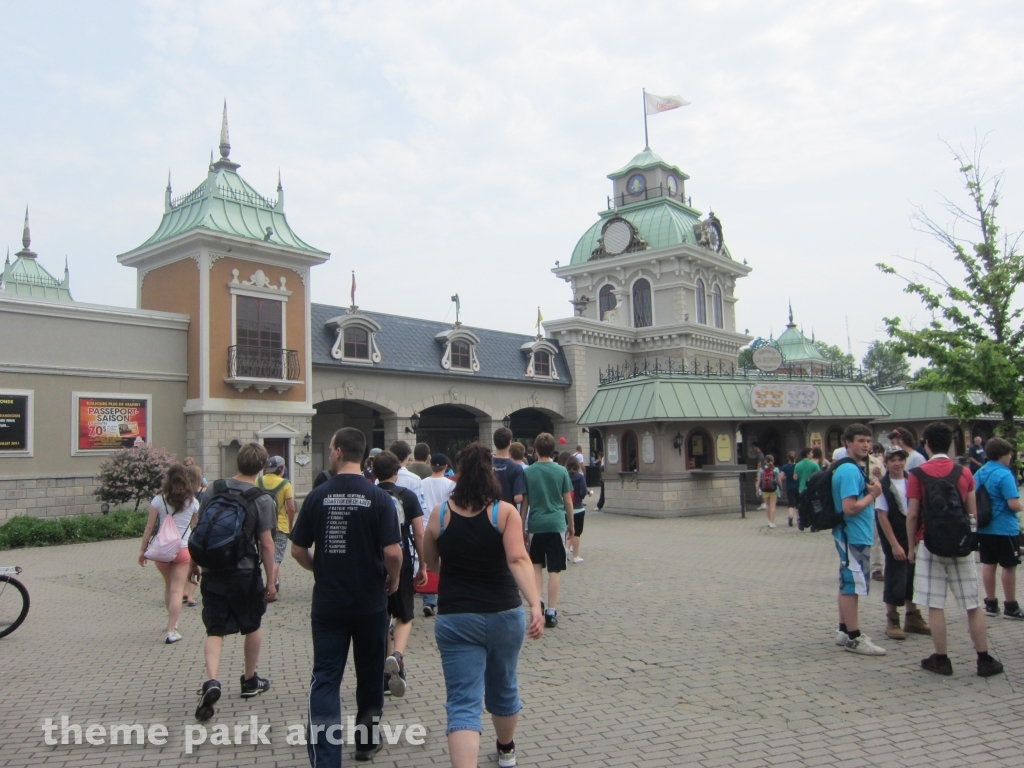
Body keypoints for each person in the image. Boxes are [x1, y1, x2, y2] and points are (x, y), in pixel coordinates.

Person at [421, 442, 544, 768]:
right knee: (504, 686)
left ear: (458, 475)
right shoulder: (503, 512)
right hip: (503, 613)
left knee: (463, 702)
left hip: (456, 616)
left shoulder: (441, 514)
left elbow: (431, 562)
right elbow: (518, 559)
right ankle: (506, 750)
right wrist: (535, 604)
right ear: (490, 473)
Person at [290, 428, 403, 764]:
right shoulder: (380, 498)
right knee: (370, 676)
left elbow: (297, 550)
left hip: (329, 603)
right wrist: (392, 578)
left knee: (325, 678)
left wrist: (320, 569)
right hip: (370, 601)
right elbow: (394, 553)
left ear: (337, 452)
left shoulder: (317, 496)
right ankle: (366, 743)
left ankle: (326, 759)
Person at [906, 421, 1004, 677]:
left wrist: (910, 547)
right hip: (960, 544)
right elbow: (972, 513)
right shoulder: (964, 473)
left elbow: (913, 515)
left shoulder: (917, 474)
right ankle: (984, 659)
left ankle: (941, 659)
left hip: (929, 543)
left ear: (926, 443)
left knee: (935, 604)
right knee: (972, 604)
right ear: (949, 443)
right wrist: (970, 542)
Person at [192, 442, 277, 721]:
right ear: (262, 467)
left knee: (215, 630)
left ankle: (213, 681)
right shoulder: (262, 499)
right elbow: (266, 544)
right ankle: (250, 680)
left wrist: (195, 563)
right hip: (244, 572)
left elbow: (200, 529)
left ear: (237, 462)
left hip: (213, 570)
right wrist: (271, 578)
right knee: (252, 624)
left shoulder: (214, 489)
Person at [374, 450, 429, 697]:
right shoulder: (407, 496)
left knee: (383, 613)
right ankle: (398, 655)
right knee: (405, 614)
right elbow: (419, 533)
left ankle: (386, 671)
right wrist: (424, 565)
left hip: (374, 560)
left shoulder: (370, 495)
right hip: (402, 559)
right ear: (397, 472)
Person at [832, 424, 886, 656]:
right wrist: (873, 496)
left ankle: (845, 630)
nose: (865, 445)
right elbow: (850, 507)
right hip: (852, 533)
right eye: (860, 441)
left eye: (868, 441)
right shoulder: (850, 471)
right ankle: (854, 637)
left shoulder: (850, 468)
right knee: (853, 584)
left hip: (851, 533)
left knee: (847, 582)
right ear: (848, 442)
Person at [138, 463, 200, 643]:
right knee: (177, 590)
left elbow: (149, 527)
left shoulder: (158, 500)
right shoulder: (193, 502)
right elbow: (195, 528)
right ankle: (172, 630)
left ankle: (172, 621)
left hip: (162, 550)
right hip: (182, 549)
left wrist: (143, 550)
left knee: (168, 586)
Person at [874, 445, 931, 639]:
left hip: (913, 536)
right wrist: (894, 544)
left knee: (912, 576)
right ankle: (892, 618)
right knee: (895, 577)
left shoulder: (912, 481)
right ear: (886, 463)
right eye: (892, 460)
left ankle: (912, 615)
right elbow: (882, 517)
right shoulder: (883, 486)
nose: (897, 464)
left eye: (900, 460)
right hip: (896, 536)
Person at [522, 432, 574, 629]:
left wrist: (522, 527)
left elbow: (525, 503)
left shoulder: (528, 472)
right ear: (553, 450)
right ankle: (551, 612)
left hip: (536, 524)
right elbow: (567, 500)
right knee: (555, 568)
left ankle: (538, 601)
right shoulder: (561, 471)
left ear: (535, 450)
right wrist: (571, 524)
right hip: (556, 523)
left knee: (536, 566)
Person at [975, 437, 1024, 620]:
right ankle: (1011, 606)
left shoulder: (980, 472)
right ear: (1003, 455)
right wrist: (1021, 506)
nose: (1010, 457)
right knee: (1009, 566)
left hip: (984, 527)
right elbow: (1013, 504)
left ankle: (991, 603)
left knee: (988, 564)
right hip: (1004, 528)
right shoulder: (1004, 474)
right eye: (1009, 453)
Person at [420, 453, 456, 617]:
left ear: (431, 466)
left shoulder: (422, 483)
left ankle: (429, 599)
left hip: (425, 524)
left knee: (428, 562)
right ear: (446, 467)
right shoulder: (450, 485)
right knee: (446, 562)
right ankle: (446, 596)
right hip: (444, 525)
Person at [257, 455, 295, 598]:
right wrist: (290, 526)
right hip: (280, 525)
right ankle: (270, 587)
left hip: (262, 525)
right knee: (277, 557)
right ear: (280, 468)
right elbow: (291, 508)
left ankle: (274, 581)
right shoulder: (285, 484)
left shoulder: (258, 481)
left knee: (264, 554)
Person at [182, 464, 204, 607]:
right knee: (194, 566)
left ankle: (183, 591)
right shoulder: (202, 494)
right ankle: (190, 596)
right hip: (191, 536)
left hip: (178, 538)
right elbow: (195, 524)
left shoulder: (179, 495)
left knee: (182, 567)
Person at [492, 428, 527, 509]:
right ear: (509, 443)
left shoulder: (486, 464)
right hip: (508, 512)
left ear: (494, 442)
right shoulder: (516, 467)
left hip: (488, 512)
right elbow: (518, 498)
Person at [565, 455, 588, 563]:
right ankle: (575, 556)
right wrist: (580, 496)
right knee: (577, 532)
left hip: (565, 508)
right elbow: (583, 491)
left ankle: (565, 549)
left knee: (568, 530)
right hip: (578, 508)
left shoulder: (563, 476)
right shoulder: (580, 476)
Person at [759, 454, 781, 528]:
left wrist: (757, 490)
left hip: (765, 490)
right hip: (774, 490)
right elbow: (779, 480)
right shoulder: (776, 469)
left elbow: (759, 481)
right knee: (773, 506)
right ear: (773, 460)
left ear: (765, 461)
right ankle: (772, 522)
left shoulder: (761, 470)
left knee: (767, 506)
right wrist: (781, 488)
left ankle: (768, 521)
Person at [780, 451, 799, 527]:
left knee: (791, 502)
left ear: (788, 457)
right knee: (798, 503)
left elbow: (781, 477)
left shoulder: (785, 467)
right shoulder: (798, 466)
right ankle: (799, 518)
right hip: (797, 486)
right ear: (796, 458)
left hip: (789, 487)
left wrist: (786, 477)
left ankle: (791, 516)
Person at [751, 440, 767, 510]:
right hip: (762, 473)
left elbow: (759, 465)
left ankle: (764, 503)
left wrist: (757, 475)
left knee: (760, 488)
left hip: (760, 474)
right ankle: (764, 503)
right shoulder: (760, 454)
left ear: (756, 447)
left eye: (753, 447)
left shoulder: (759, 455)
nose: (752, 448)